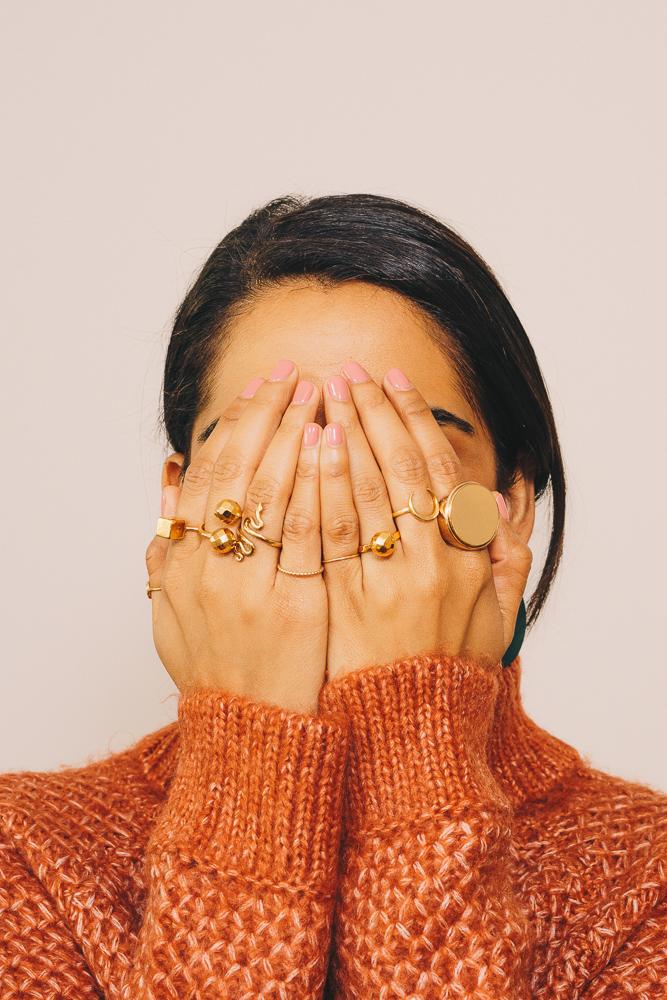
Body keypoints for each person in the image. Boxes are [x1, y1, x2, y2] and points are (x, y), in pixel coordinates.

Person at [1, 193, 665, 999]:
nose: (328, 495)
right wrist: (249, 764)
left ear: (509, 505)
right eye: (272, 441)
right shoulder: (27, 853)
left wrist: (414, 735)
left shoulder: (647, 876)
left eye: (396, 441)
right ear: (179, 503)